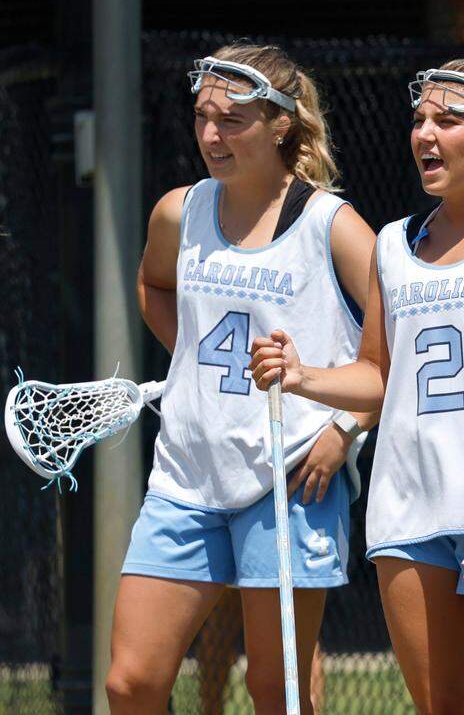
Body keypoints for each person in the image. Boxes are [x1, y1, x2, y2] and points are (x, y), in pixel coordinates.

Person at [250, 59, 464, 713]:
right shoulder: (392, 244)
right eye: (419, 120)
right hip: (408, 515)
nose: (425, 134)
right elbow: (380, 376)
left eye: (448, 120)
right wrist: (302, 377)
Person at [105, 43, 377, 714]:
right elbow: (152, 284)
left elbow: (397, 348)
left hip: (289, 478)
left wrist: (346, 428)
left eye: (231, 120)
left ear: (281, 123)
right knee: (131, 682)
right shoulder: (181, 211)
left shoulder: (330, 225)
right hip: (187, 476)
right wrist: (194, 364)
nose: (210, 135)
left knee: (276, 691)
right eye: (202, 116)